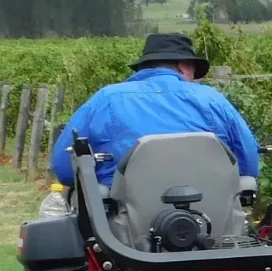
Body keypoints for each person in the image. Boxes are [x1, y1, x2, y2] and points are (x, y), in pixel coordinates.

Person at [51, 32, 260, 189]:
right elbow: (249, 166)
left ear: (145, 67)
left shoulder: (107, 99)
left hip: (122, 231)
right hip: (212, 223)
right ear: (182, 66)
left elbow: (64, 169)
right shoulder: (212, 99)